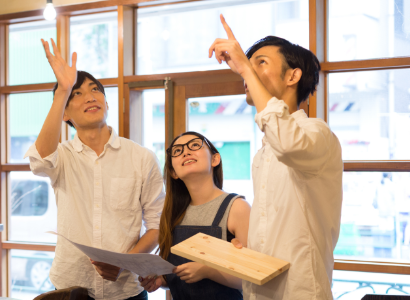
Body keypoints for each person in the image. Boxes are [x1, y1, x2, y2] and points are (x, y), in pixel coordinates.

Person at [209, 15, 343, 300]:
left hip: (301, 290)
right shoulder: (263, 152)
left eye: (261, 62)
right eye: (250, 63)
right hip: (260, 289)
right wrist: (250, 248)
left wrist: (245, 69)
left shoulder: (317, 134)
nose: (249, 72)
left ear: (292, 76)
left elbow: (288, 143)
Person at [24, 38, 165, 300]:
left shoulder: (141, 157)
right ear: (65, 114)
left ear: (107, 103)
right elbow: (39, 162)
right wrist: (61, 91)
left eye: (95, 90)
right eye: (76, 94)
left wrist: (124, 262)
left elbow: (157, 225)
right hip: (70, 286)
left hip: (125, 291)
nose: (89, 96)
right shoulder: (62, 156)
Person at [139, 131, 251, 300]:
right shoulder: (172, 214)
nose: (185, 152)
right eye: (177, 151)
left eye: (194, 145)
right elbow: (177, 273)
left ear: (215, 159)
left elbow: (250, 278)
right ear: (173, 172)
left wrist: (208, 271)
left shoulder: (237, 208)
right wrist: (161, 280)